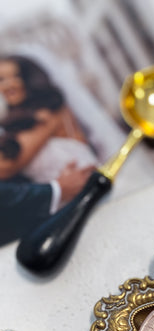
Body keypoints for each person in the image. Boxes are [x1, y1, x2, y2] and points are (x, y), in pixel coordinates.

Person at [0, 55, 97, 240]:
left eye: (16, 76)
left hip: (84, 196)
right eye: (1, 79)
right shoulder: (16, 122)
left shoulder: (47, 111)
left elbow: (6, 166)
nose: (8, 85)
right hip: (58, 207)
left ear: (31, 79)